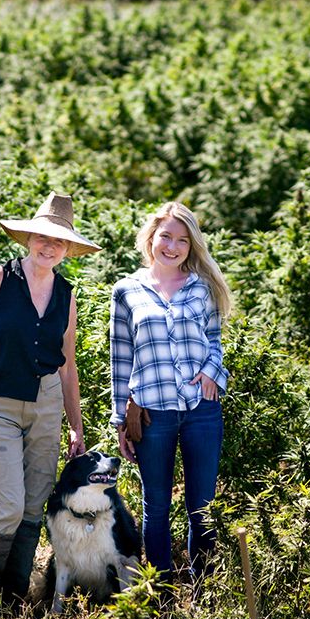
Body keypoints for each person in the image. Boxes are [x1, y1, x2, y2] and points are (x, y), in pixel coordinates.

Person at [0, 193, 101, 619]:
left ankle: (15, 598)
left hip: (47, 404)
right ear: (29, 238)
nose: (48, 246)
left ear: (68, 249)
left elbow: (68, 365)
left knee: (34, 507)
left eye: (58, 241)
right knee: (10, 506)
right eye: (42, 237)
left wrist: (76, 426)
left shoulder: (66, 295)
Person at [110, 201, 232, 593]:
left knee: (203, 507)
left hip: (202, 411)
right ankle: (159, 592)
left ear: (191, 245)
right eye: (166, 236)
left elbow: (215, 340)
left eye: (182, 240)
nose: (173, 246)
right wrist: (119, 421)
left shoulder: (202, 287)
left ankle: (205, 593)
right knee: (156, 506)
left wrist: (213, 372)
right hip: (152, 414)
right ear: (151, 238)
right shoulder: (126, 291)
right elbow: (121, 357)